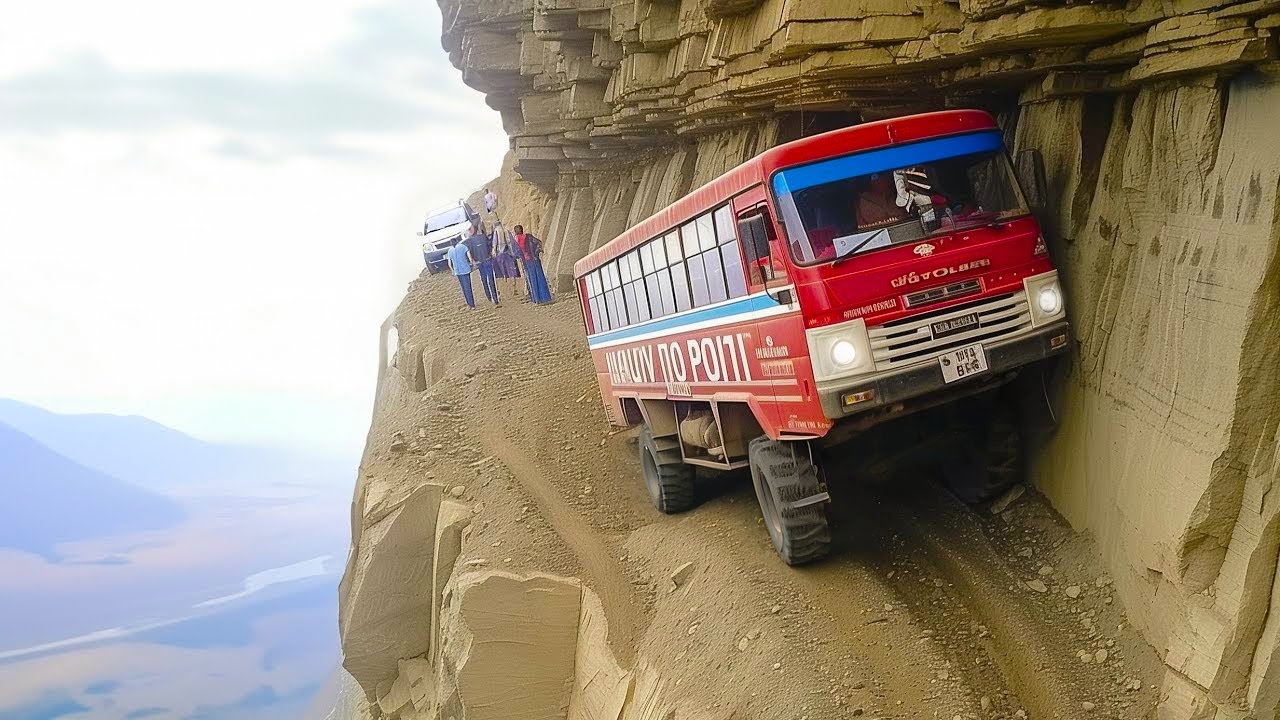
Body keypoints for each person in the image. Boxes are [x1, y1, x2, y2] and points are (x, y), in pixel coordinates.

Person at [513, 224, 553, 305]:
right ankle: (544, 298)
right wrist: (536, 253)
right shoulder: (528, 237)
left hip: (529, 263)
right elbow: (538, 243)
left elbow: (516, 254)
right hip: (533, 260)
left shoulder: (516, 240)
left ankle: (537, 299)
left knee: (533, 280)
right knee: (539, 278)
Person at [464, 221, 499, 306]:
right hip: (487, 260)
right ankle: (495, 298)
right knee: (491, 280)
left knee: (484, 280)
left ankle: (489, 297)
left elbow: (467, 252)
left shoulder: (469, 241)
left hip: (480, 263)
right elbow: (490, 245)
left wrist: (472, 262)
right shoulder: (483, 237)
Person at [491, 221, 524, 300]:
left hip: (500, 254)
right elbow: (512, 242)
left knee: (503, 272)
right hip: (509, 254)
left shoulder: (496, 232)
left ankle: (506, 290)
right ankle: (514, 288)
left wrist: (494, 252)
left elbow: (494, 244)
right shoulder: (507, 231)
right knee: (512, 271)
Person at [446, 238, 475, 309]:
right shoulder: (463, 246)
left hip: (458, 271)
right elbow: (469, 257)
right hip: (465, 269)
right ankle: (472, 304)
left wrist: (453, 271)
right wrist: (472, 264)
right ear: (457, 241)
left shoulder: (450, 250)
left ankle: (469, 304)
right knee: (468, 287)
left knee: (463, 288)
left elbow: (449, 263)